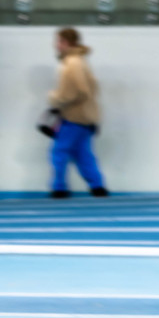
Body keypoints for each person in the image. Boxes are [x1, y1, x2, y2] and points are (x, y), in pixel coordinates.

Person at [48, 28, 108, 199]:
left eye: (58, 41)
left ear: (66, 43)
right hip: (86, 117)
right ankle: (98, 187)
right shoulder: (81, 61)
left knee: (59, 152)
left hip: (74, 116)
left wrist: (54, 98)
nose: (56, 45)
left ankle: (59, 188)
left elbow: (76, 91)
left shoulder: (71, 63)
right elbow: (91, 89)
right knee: (83, 154)